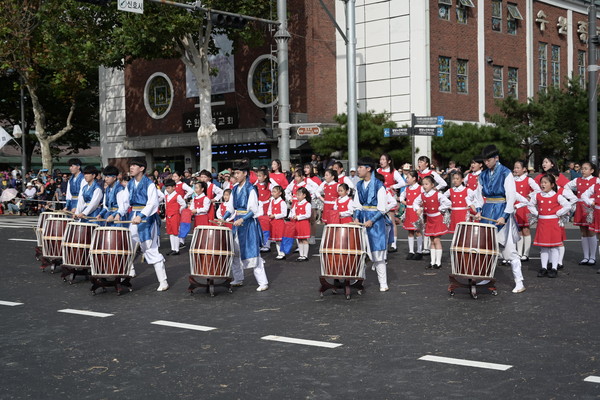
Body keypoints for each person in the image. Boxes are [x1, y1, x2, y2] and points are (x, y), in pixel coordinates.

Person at [473, 145, 525, 293]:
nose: (486, 163)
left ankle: (519, 281)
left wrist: (505, 215)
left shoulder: (505, 173)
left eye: (488, 160)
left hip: (501, 210)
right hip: (487, 211)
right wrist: (478, 210)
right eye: (485, 160)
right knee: (486, 247)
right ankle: (486, 276)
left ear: (496, 158)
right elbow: (478, 195)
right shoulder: (482, 175)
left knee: (508, 248)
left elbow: (511, 196)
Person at [126, 159, 169, 291]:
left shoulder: (149, 184)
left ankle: (163, 281)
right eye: (131, 165)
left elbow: (153, 204)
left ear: (142, 168)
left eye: (134, 165)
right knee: (128, 246)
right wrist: (118, 213)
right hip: (133, 216)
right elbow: (125, 201)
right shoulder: (130, 184)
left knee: (149, 249)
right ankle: (127, 273)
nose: (131, 168)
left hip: (147, 219)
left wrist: (141, 215)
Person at [226, 160, 269, 291]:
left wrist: (242, 219)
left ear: (245, 173)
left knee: (253, 253)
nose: (236, 176)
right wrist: (222, 218)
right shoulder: (234, 189)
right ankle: (238, 278)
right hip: (237, 222)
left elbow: (253, 210)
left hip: (248, 224)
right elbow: (230, 208)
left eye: (238, 173)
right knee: (235, 252)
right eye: (235, 173)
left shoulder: (250, 189)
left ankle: (263, 282)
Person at [352, 157, 389, 292]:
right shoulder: (359, 185)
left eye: (361, 167)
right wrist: (356, 217)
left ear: (368, 169)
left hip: (376, 222)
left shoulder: (379, 186)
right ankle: (359, 281)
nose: (358, 170)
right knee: (361, 252)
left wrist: (372, 220)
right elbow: (356, 205)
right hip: (362, 221)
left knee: (378, 254)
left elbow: (382, 208)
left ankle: (383, 283)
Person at [527, 174, 572, 278]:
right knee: (544, 247)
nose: (543, 185)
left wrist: (559, 213)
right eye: (541, 182)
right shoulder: (537, 195)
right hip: (542, 224)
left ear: (552, 185)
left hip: (553, 224)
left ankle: (554, 268)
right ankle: (543, 267)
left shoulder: (557, 196)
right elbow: (530, 205)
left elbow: (568, 205)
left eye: (545, 183)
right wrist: (537, 213)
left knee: (554, 247)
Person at [563, 162, 597, 265]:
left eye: (586, 169)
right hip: (580, 207)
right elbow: (566, 187)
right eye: (582, 168)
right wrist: (573, 197)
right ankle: (586, 256)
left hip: (591, 207)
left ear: (592, 171)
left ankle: (593, 256)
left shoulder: (596, 180)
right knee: (583, 231)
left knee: (591, 231)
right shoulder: (577, 180)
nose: (583, 170)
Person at [414, 175, 451, 269]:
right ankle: (432, 261)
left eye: (426, 184)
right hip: (429, 219)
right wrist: (418, 209)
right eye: (423, 184)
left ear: (432, 185)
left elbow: (448, 203)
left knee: (436, 240)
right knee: (431, 241)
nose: (424, 186)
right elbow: (415, 202)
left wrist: (440, 208)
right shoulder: (422, 195)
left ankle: (438, 262)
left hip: (437, 219)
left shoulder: (437, 194)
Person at [513, 160, 541, 262]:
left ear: (524, 169)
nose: (515, 170)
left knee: (526, 229)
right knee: (518, 230)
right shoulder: (512, 180)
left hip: (525, 207)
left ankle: (526, 253)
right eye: (515, 168)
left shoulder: (528, 180)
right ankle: (519, 253)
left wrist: (530, 196)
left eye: (518, 168)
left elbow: (538, 190)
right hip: (515, 207)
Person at [377, 154, 406, 253]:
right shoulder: (378, 171)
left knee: (391, 220)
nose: (381, 161)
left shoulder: (393, 171)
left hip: (389, 196)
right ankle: (382, 241)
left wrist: (393, 186)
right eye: (381, 159)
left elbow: (402, 182)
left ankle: (393, 243)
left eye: (384, 159)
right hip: (380, 196)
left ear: (389, 161)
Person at [400, 170, 423, 260]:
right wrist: (405, 202)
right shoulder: (407, 188)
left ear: (414, 178)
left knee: (417, 231)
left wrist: (420, 207)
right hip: (409, 211)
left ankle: (419, 251)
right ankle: (411, 251)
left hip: (416, 212)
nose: (407, 179)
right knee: (410, 231)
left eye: (408, 177)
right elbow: (402, 196)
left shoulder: (420, 188)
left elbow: (424, 197)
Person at [444, 170, 477, 234]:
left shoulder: (467, 190)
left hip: (463, 215)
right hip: (454, 215)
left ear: (462, 180)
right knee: (455, 235)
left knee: (464, 234)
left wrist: (470, 205)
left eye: (457, 179)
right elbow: (442, 198)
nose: (455, 180)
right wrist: (448, 205)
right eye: (454, 179)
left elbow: (476, 198)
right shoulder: (450, 190)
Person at [163, 179, 187, 256]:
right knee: (170, 232)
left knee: (175, 232)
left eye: (169, 188)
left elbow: (183, 204)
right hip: (168, 216)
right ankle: (173, 248)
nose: (167, 189)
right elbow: (166, 206)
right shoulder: (166, 196)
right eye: (166, 188)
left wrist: (179, 211)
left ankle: (176, 249)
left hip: (175, 216)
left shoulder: (177, 196)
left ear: (174, 187)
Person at [289, 187, 312, 261]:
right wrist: (293, 216)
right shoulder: (296, 204)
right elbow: (292, 212)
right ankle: (301, 255)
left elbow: (308, 215)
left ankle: (305, 255)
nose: (297, 196)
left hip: (304, 223)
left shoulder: (307, 204)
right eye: (297, 195)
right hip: (297, 224)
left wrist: (298, 217)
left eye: (299, 195)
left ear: (304, 195)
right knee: (299, 239)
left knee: (304, 239)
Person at [255, 169, 273, 252]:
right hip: (258, 207)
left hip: (267, 207)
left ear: (265, 176)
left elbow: (276, 191)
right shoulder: (256, 185)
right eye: (257, 176)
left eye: (260, 176)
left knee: (266, 226)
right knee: (258, 226)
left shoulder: (269, 185)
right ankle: (260, 243)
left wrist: (271, 199)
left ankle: (267, 244)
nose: (258, 178)